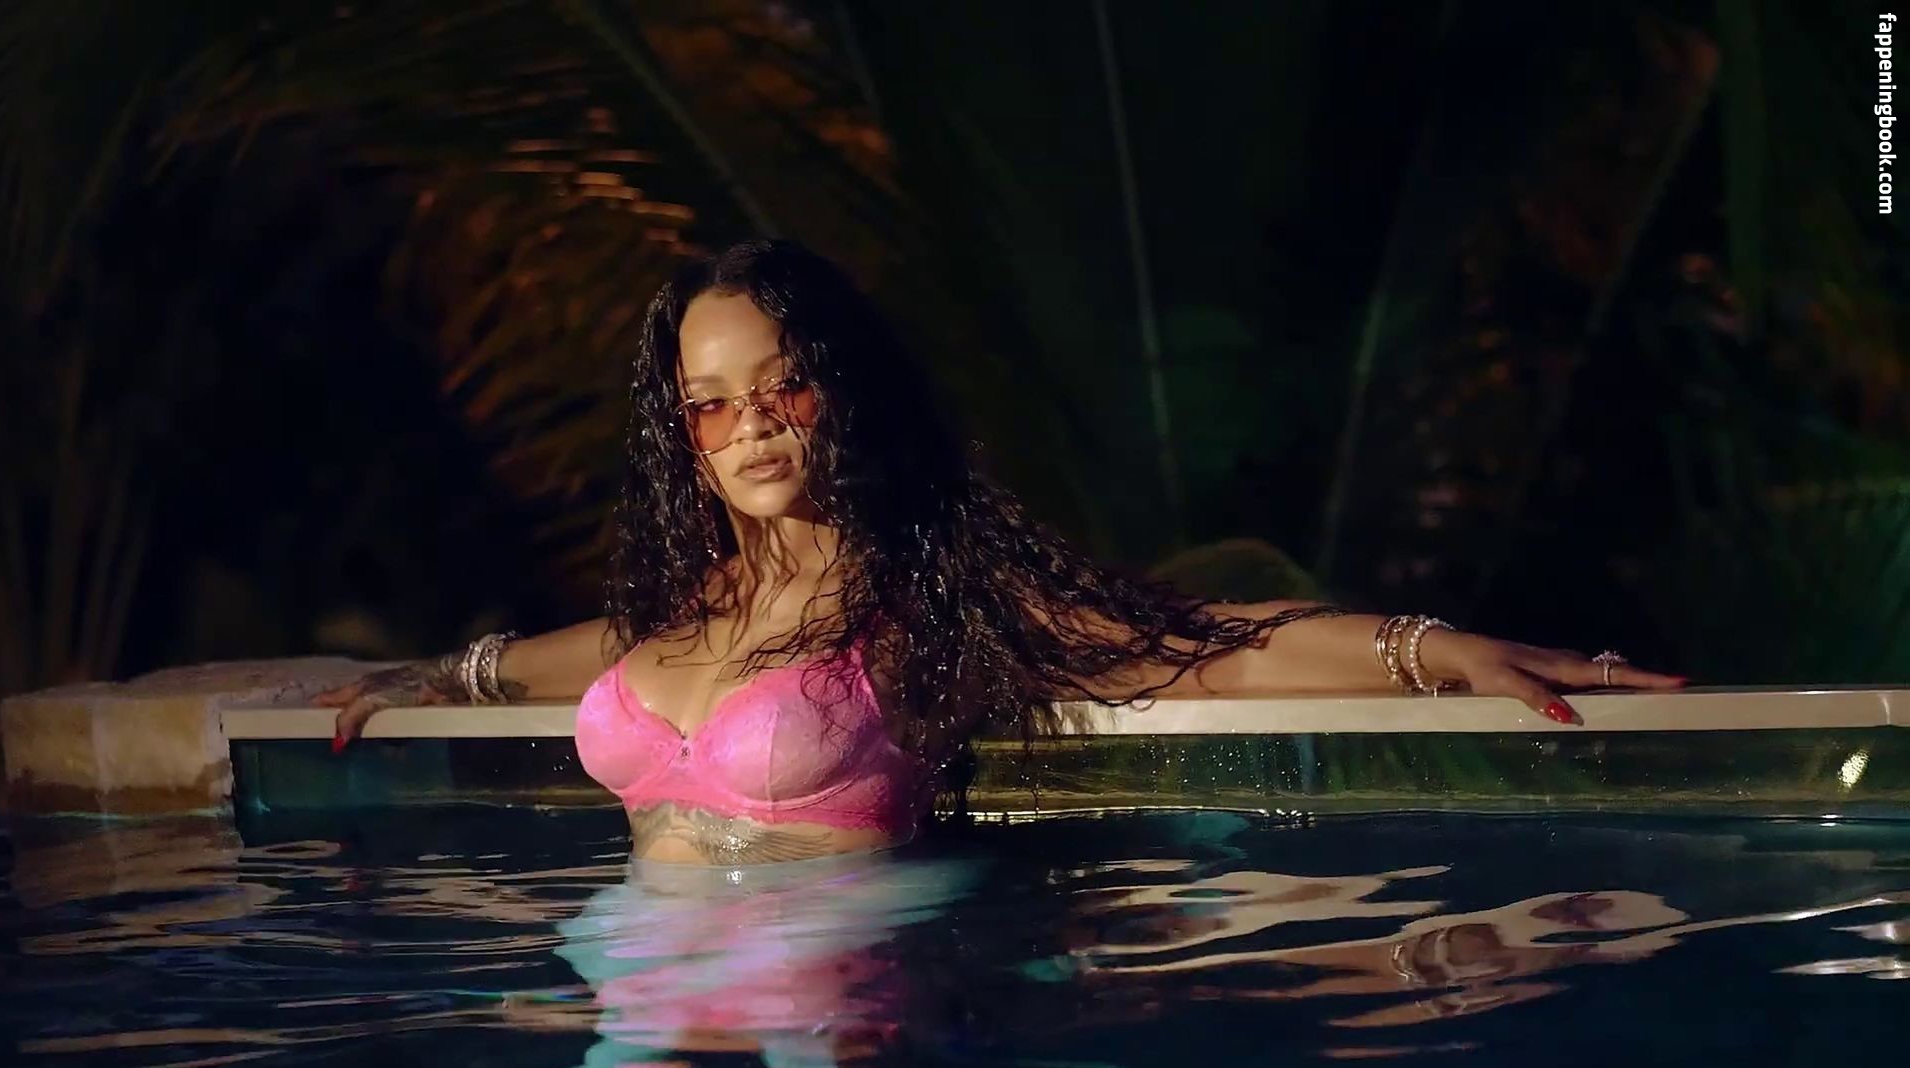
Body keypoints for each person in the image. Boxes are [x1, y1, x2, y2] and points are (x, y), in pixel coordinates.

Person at [313, 239, 1681, 865]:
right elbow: (599, 655)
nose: (752, 424)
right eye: (713, 403)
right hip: (629, 992)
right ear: (684, 433)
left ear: (842, 390)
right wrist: (449, 675)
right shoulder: (694, 606)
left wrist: (1435, 652)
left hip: (833, 1009)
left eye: (784, 384)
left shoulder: (928, 587)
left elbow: (1199, 652)